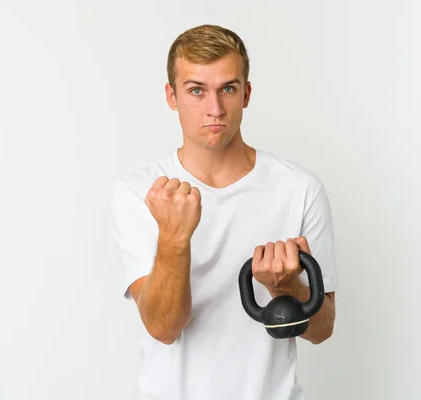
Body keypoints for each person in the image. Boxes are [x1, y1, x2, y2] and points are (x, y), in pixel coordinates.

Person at [111, 24, 338, 400]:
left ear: (246, 93)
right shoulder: (140, 191)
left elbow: (322, 328)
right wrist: (173, 236)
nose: (214, 109)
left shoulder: (300, 188)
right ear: (172, 96)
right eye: (196, 90)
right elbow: (165, 327)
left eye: (227, 89)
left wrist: (286, 286)